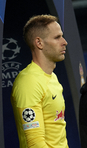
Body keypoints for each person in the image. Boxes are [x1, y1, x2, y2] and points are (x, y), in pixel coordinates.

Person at [11, 14, 69, 148]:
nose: (64, 42)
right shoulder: (29, 82)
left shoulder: (52, 77)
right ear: (39, 43)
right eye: (57, 37)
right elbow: (35, 144)